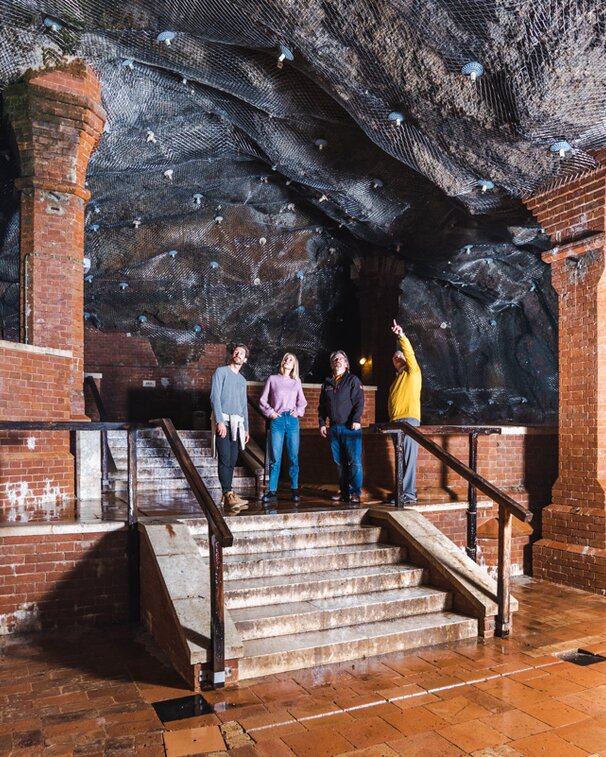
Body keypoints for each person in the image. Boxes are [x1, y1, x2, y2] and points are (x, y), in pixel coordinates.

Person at [259, 353, 308, 503]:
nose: (287, 360)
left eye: (291, 359)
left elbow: (302, 402)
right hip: (278, 421)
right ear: (282, 362)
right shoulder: (272, 379)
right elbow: (262, 400)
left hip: (292, 422)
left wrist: (298, 412)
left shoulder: (296, 381)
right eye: (285, 358)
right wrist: (271, 413)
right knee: (275, 458)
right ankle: (272, 491)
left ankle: (294, 489)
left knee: (293, 457)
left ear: (294, 365)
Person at [318, 350, 364, 503]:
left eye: (341, 359)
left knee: (354, 461)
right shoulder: (327, 384)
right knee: (340, 463)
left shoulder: (353, 380)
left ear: (346, 364)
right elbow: (322, 407)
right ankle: (345, 492)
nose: (337, 360)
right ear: (331, 364)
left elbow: (359, 401)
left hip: (350, 428)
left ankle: (356, 492)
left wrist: (356, 419)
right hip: (334, 429)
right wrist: (322, 423)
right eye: (335, 359)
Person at [210, 343, 250, 514]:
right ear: (233, 354)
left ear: (245, 359)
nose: (238, 354)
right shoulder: (221, 372)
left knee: (233, 459)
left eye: (242, 353)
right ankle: (227, 492)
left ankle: (229, 494)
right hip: (224, 420)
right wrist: (219, 421)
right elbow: (214, 396)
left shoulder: (242, 380)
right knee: (225, 457)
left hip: (238, 424)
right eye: (236, 351)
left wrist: (246, 428)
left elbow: (244, 405)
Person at [388, 319, 422, 504]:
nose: (397, 357)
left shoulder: (413, 372)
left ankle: (409, 494)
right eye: (394, 357)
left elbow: (410, 353)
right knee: (400, 458)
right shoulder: (395, 381)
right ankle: (400, 492)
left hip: (409, 420)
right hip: (396, 421)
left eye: (400, 355)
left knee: (409, 457)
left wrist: (401, 337)